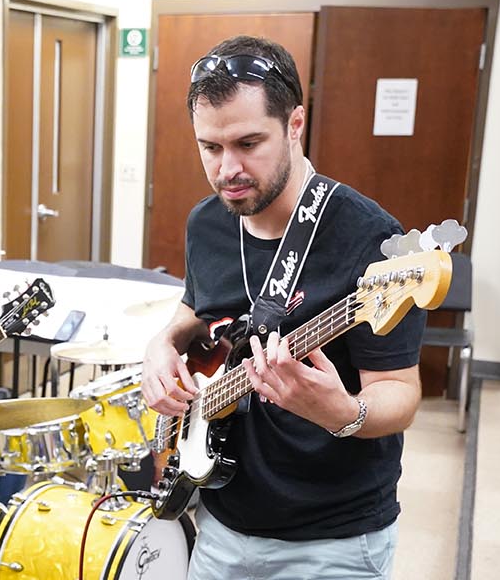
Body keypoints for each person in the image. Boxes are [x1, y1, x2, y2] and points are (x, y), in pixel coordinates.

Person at [139, 35, 426, 579]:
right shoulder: (207, 223)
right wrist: (161, 346)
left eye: (249, 143)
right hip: (220, 520)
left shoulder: (369, 240)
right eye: (211, 147)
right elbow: (195, 314)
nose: (229, 170)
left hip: (332, 538)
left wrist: (345, 415)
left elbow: (401, 392)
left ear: (295, 125)